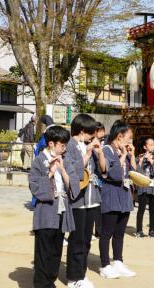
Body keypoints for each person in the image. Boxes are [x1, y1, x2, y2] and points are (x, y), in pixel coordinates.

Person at [29, 125, 79, 288]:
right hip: (46, 210)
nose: (64, 148)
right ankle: (41, 284)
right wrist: (50, 172)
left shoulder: (66, 159)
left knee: (57, 248)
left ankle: (50, 281)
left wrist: (63, 169)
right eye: (62, 145)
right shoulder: (39, 160)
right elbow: (34, 186)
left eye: (65, 145)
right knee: (44, 249)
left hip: (62, 208)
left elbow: (74, 185)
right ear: (51, 144)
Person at [96, 120, 136, 279]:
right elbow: (113, 174)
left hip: (124, 195)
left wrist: (131, 156)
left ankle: (118, 261)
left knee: (120, 232)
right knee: (107, 232)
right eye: (129, 137)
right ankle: (105, 264)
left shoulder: (123, 150)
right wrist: (124, 155)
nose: (130, 141)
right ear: (119, 136)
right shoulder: (107, 150)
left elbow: (134, 173)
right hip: (111, 194)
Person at [63, 114, 100, 288]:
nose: (93, 136)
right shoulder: (69, 146)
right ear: (83, 130)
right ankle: (73, 277)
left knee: (87, 239)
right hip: (77, 199)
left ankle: (81, 274)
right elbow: (75, 172)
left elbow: (102, 170)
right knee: (77, 239)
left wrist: (98, 153)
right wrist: (88, 153)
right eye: (91, 132)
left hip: (91, 198)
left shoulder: (86, 145)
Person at [135, 136, 154, 238]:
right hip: (143, 185)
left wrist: (152, 161)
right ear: (144, 147)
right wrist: (142, 160)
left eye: (153, 144)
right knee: (141, 208)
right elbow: (136, 172)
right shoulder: (139, 157)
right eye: (150, 144)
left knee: (153, 209)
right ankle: (139, 230)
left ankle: (151, 230)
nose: (152, 146)